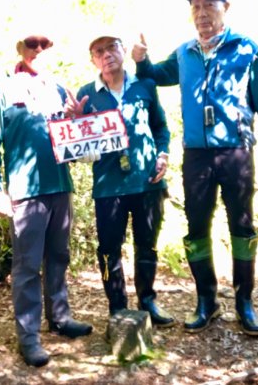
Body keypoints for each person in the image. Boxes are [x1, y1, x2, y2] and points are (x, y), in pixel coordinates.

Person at [132, 0, 258, 336]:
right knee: (197, 227)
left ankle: (244, 302)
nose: (201, 13)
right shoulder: (184, 53)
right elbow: (156, 76)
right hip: (196, 155)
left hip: (235, 151)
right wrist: (141, 61)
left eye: (208, 6)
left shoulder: (245, 48)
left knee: (242, 226)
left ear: (225, 8)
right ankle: (207, 301)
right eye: (196, 7)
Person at [0, 33, 92, 368]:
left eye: (45, 45)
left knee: (59, 256)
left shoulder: (57, 88)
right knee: (27, 266)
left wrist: (76, 120)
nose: (39, 50)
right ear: (19, 47)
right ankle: (28, 337)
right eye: (32, 44)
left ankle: (59, 318)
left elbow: (72, 145)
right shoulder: (1, 86)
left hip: (59, 185)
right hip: (25, 192)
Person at [65, 33, 176, 327]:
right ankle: (116, 305)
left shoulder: (145, 86)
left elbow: (161, 128)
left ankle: (148, 300)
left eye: (112, 47)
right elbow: (77, 151)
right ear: (93, 59)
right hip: (108, 187)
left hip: (148, 182)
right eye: (98, 50)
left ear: (123, 50)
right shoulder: (87, 94)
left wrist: (163, 155)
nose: (106, 54)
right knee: (107, 252)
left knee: (147, 246)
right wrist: (75, 122)